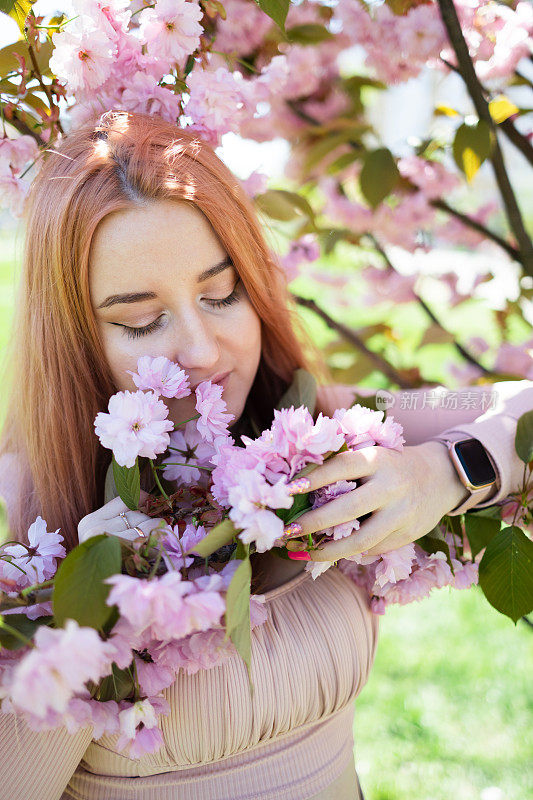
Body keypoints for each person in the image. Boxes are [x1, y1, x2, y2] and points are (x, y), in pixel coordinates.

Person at [0, 110, 531, 800]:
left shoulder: (311, 430)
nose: (200, 349)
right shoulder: (24, 532)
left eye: (221, 294)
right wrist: (87, 617)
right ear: (75, 342)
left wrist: (446, 471)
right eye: (141, 321)